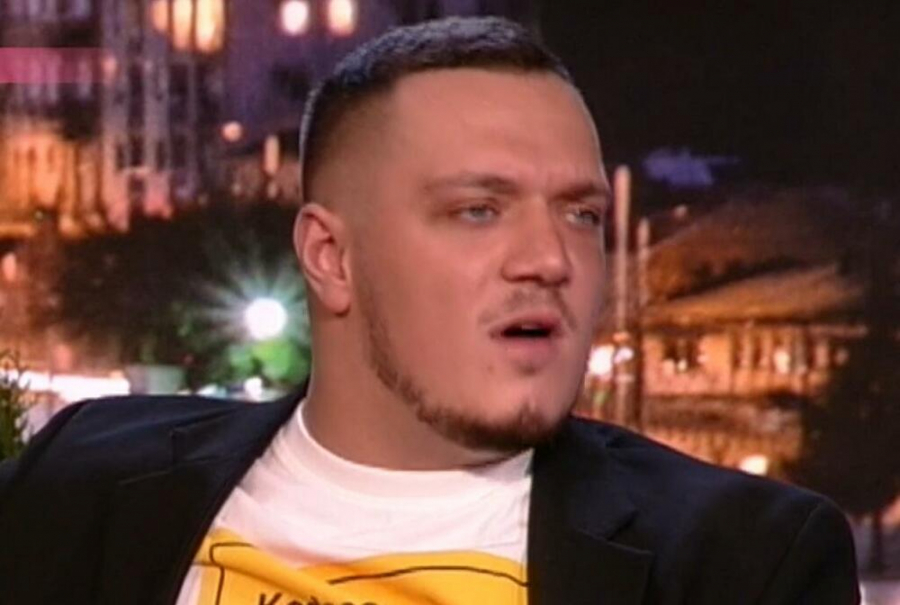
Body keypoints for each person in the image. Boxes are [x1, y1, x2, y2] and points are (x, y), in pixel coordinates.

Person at [0, 16, 859, 605]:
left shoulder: (740, 564)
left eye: (581, 215)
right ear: (331, 257)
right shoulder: (83, 479)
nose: (550, 258)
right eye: (478, 210)